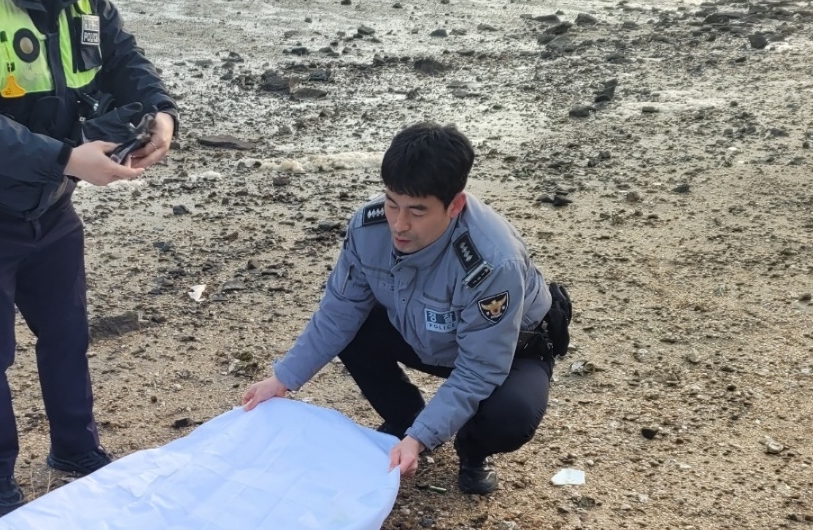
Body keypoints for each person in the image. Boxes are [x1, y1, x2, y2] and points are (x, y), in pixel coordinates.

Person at [0, 0, 179, 518]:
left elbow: (122, 57)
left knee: (67, 332)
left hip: (50, 201)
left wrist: (162, 113)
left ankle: (74, 447)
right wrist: (64, 158)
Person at [242, 122, 570, 496]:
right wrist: (282, 379)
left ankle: (472, 450)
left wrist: (420, 439)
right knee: (352, 330)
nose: (399, 224)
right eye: (392, 202)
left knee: (509, 417)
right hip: (426, 332)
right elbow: (338, 313)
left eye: (417, 210)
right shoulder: (369, 230)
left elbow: (481, 367)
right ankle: (404, 415)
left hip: (509, 352)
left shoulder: (491, 262)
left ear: (455, 205)